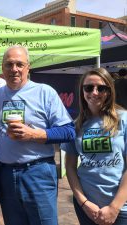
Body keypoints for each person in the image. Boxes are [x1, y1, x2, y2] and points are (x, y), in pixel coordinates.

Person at [0, 45, 75, 225]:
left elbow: (68, 130)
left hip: (38, 171)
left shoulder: (44, 92)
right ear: (2, 67)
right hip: (6, 174)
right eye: (9, 64)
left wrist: (34, 134)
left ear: (28, 67)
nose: (14, 69)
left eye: (19, 64)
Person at [61, 68, 127, 225]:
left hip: (121, 208)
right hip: (87, 208)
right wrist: (83, 202)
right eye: (89, 88)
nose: (94, 92)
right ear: (82, 91)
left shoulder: (123, 119)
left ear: (109, 91)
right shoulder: (75, 125)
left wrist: (114, 207)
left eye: (101, 88)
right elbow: (69, 167)